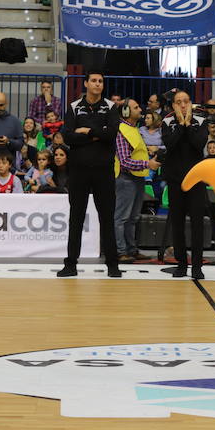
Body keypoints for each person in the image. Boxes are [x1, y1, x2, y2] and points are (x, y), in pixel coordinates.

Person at [54, 72, 121, 277]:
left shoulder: (111, 107)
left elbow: (111, 134)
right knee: (76, 217)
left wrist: (87, 132)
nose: (97, 84)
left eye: (101, 81)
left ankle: (112, 265)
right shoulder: (75, 107)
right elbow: (68, 136)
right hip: (79, 171)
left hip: (104, 171)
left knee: (107, 218)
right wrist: (95, 134)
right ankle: (70, 264)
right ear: (86, 83)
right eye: (94, 80)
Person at [161, 90, 208, 279]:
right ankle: (181, 263)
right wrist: (181, 125)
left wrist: (189, 125)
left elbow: (199, 144)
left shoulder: (201, 122)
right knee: (177, 223)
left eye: (185, 101)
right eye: (178, 102)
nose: (182, 105)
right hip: (175, 180)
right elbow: (170, 144)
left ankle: (197, 266)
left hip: (196, 179)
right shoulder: (166, 122)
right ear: (173, 105)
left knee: (197, 224)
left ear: (191, 103)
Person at [113, 98, 160, 261]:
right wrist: (147, 163)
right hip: (126, 178)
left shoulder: (134, 129)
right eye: (136, 107)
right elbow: (125, 161)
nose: (141, 110)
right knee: (121, 218)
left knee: (133, 218)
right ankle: (120, 251)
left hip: (138, 176)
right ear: (126, 112)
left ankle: (131, 250)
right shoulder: (121, 130)